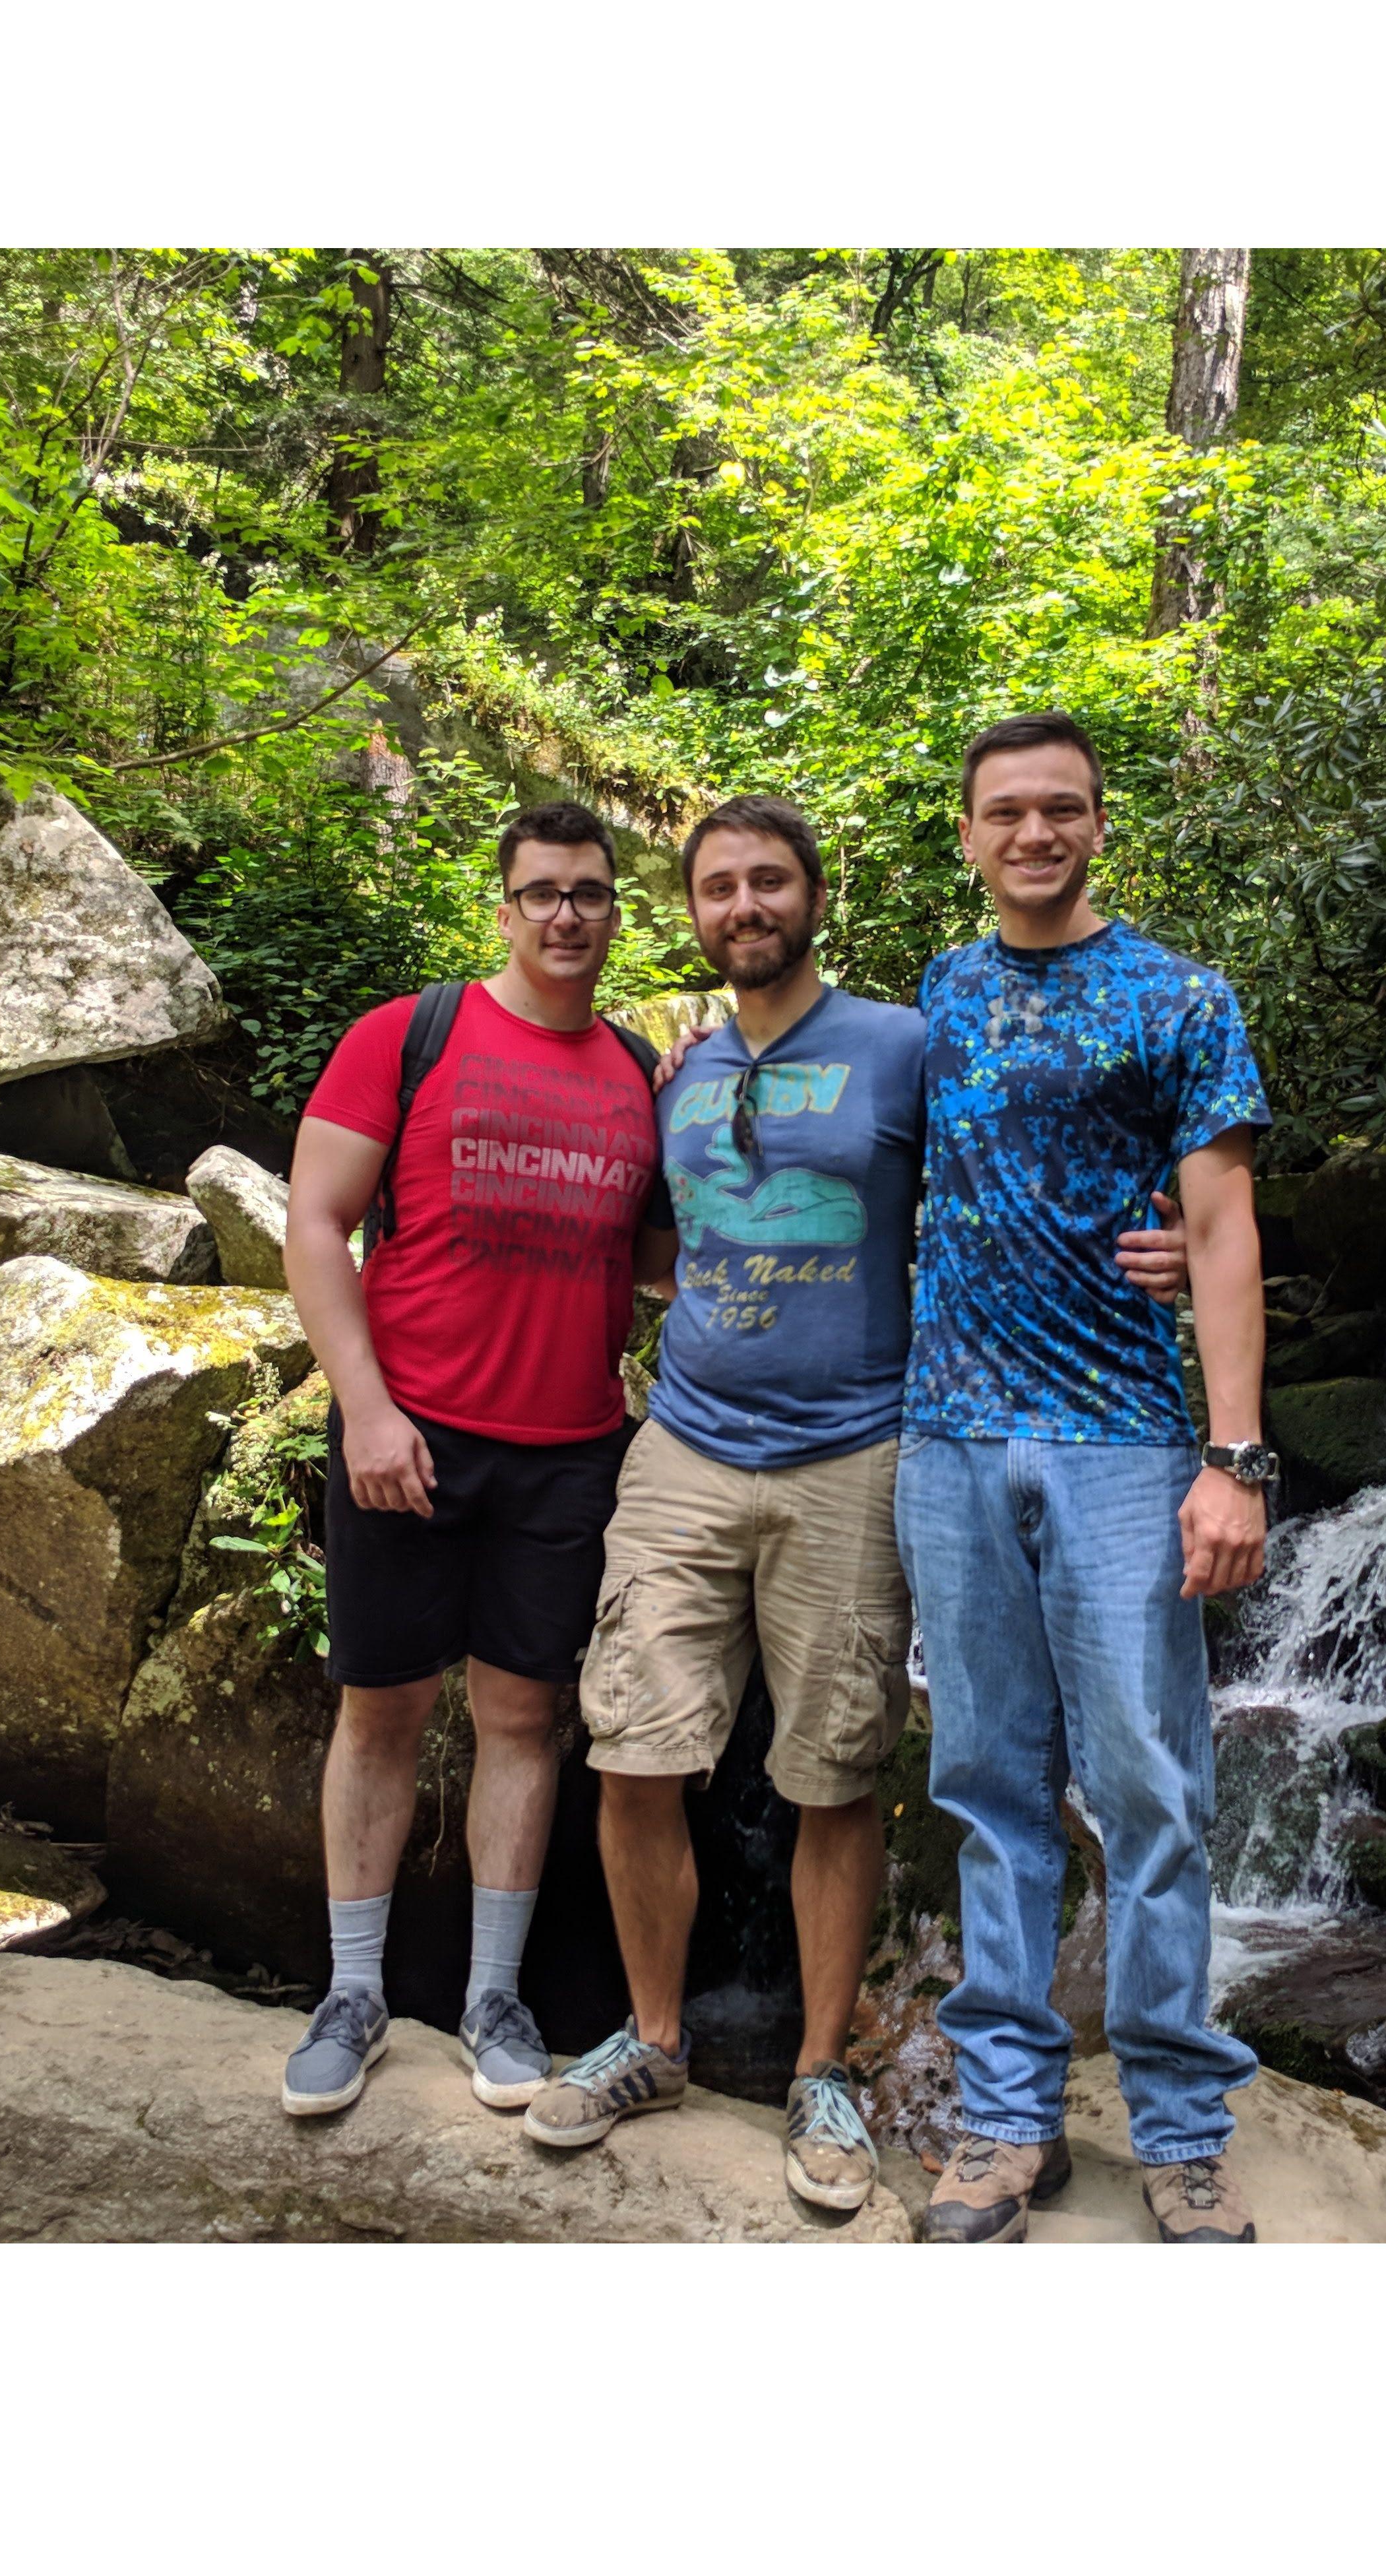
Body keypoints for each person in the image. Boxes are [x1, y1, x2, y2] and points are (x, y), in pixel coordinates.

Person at [519, 794, 1191, 2215]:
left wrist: (1177, 1230)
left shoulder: (903, 1041)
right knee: (634, 1747)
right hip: (687, 1449)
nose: (745, 906)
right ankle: (651, 2039)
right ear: (691, 912)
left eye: (770, 882)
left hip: (856, 1454)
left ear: (814, 898)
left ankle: (822, 2068)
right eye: (719, 888)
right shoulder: (675, 1074)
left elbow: (1034, 1145)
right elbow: (646, 1242)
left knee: (830, 1769)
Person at [899, 711, 1277, 2244]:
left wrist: (1234, 1458)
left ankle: (1182, 2128)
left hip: (1123, 1438)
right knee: (990, 1790)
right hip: (952, 1437)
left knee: (1151, 1795)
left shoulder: (1181, 999)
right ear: (972, 832)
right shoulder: (936, 992)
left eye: (1062, 810)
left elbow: (1227, 1220)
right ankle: (1007, 2123)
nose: (1034, 834)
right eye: (1007, 812)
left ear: (1099, 826)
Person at [276, 800, 670, 2119]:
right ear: (503, 909)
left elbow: (670, 1258)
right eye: (543, 892)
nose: (568, 914)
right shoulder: (409, 1035)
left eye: (592, 894)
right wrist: (369, 1409)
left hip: (566, 1457)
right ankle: (353, 1991)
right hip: (411, 1433)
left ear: (617, 915)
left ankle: (496, 1996)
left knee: (521, 1718)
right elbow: (318, 1226)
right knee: (381, 1712)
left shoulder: (635, 1073)